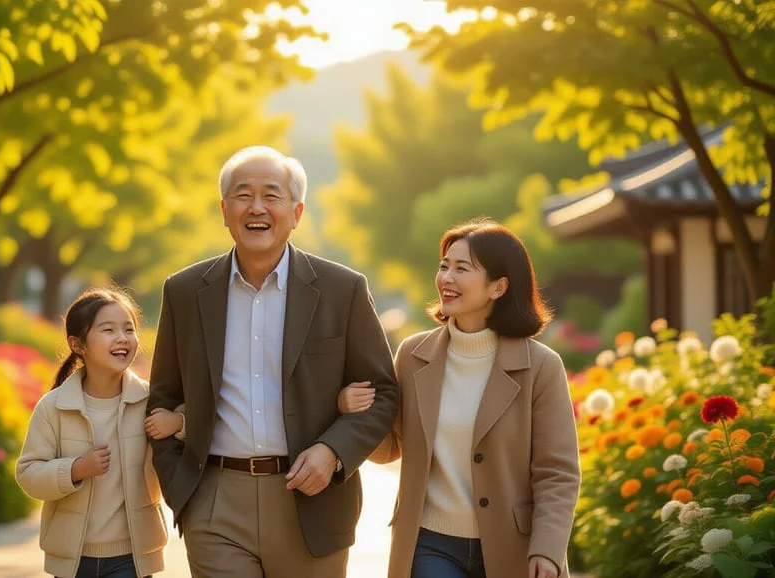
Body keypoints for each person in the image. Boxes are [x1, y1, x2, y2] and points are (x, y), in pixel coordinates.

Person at [148, 145, 399, 577]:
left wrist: (333, 452)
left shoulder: (343, 289)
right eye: (243, 195)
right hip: (215, 501)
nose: (257, 207)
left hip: (313, 499)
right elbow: (164, 396)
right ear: (224, 210)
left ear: (297, 212)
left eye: (272, 195)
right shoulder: (185, 291)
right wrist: (183, 492)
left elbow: (383, 394)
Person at [341, 220, 580, 578]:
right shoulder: (413, 355)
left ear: (499, 287)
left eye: (462, 269)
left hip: (513, 545)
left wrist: (547, 549)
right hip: (430, 543)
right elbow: (390, 446)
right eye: (444, 266)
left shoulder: (541, 367)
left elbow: (557, 472)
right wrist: (351, 411)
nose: (446, 278)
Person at [17, 288, 177, 578]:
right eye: (108, 329)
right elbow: (28, 475)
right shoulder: (53, 407)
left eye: (129, 329)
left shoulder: (150, 401)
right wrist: (76, 469)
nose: (122, 338)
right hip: (73, 559)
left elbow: (201, 431)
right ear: (78, 345)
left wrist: (177, 422)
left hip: (132, 557)